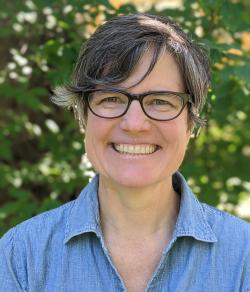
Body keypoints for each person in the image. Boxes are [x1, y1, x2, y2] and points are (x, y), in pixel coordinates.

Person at [0, 13, 249, 292]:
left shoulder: (244, 257)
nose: (134, 124)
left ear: (190, 121)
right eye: (111, 99)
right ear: (82, 115)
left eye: (159, 101)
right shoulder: (20, 258)